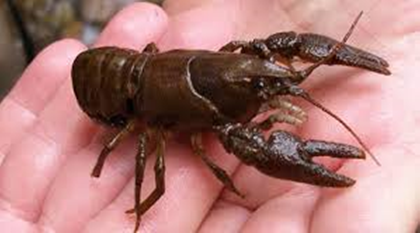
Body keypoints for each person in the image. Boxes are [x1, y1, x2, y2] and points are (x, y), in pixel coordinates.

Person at [0, 0, 418, 232]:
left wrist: (271, 74)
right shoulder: (214, 131)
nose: (270, 76)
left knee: (263, 70)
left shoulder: (240, 59)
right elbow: (162, 172)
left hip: (145, 67)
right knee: (170, 172)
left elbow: (260, 53)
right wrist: (137, 197)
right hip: (106, 84)